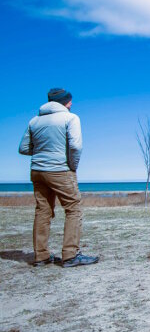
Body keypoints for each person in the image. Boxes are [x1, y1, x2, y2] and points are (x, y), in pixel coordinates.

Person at [18, 88, 99, 268]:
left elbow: (23, 148)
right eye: (70, 101)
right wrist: (72, 166)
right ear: (66, 102)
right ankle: (70, 254)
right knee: (73, 208)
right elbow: (76, 147)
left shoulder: (35, 121)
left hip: (37, 171)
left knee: (42, 210)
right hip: (60, 170)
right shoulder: (71, 118)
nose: (71, 104)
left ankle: (41, 256)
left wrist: (42, 151)